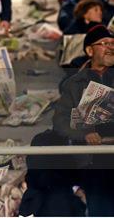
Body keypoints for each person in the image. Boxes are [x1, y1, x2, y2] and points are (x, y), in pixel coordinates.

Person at [53, 24, 114, 216]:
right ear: (89, 50)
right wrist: (85, 134)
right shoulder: (74, 84)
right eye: (104, 43)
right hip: (95, 156)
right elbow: (61, 122)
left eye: (113, 43)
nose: (111, 47)